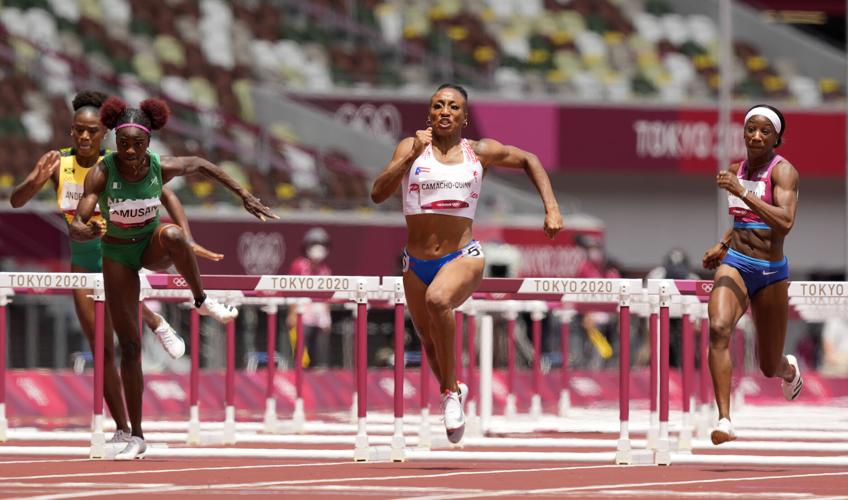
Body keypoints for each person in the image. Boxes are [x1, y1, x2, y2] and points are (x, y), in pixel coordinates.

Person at [8, 90, 222, 446]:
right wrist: (35, 181)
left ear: (105, 133)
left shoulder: (120, 159)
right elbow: (17, 200)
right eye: (78, 130)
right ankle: (122, 427)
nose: (85, 137)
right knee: (101, 348)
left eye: (92, 131)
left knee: (124, 339)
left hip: (118, 254)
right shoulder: (57, 162)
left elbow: (167, 194)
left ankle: (153, 322)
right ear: (71, 131)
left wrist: (187, 236)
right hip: (82, 263)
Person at [70, 96, 277, 459]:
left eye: (137, 144)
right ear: (114, 142)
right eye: (123, 144)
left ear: (149, 143)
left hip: (150, 244)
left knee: (176, 236)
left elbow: (202, 164)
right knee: (130, 347)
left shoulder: (159, 167)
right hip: (117, 254)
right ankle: (136, 434)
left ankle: (200, 300)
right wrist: (82, 231)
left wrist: (244, 194)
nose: (130, 152)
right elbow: (78, 220)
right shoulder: (102, 171)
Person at [370, 83, 563, 442]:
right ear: (429, 114)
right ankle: (453, 390)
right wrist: (408, 156)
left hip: (462, 256)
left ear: (464, 117)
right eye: (438, 105)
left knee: (438, 300)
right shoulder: (410, 149)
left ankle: (449, 395)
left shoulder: (479, 153)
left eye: (453, 107)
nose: (445, 111)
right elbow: (378, 193)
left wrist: (551, 208)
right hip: (416, 262)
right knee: (428, 341)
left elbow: (529, 160)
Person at [703, 104, 802, 445]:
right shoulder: (735, 170)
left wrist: (741, 191)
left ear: (777, 138)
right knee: (717, 328)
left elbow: (785, 223)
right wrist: (722, 243)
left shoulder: (783, 172)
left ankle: (788, 369)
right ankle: (724, 419)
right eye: (750, 129)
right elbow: (743, 219)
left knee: (768, 366)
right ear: (743, 133)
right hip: (738, 263)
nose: (756, 136)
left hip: (771, 273)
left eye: (765, 131)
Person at [287, 227, 333, 368]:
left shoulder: (326, 270)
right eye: (314, 244)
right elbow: (291, 290)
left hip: (319, 314)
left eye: (322, 245)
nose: (318, 248)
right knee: (301, 353)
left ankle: (316, 381)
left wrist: (327, 317)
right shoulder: (298, 265)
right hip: (302, 312)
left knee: (319, 352)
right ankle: (298, 380)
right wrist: (292, 312)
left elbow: (327, 296)